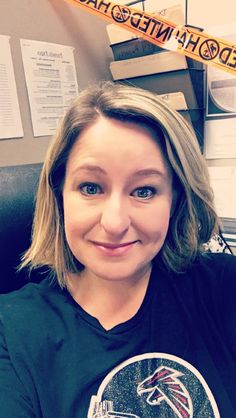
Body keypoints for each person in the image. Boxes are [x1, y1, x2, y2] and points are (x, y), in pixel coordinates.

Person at [0, 81, 235, 418]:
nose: (114, 222)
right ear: (59, 194)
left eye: (144, 191)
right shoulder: (12, 330)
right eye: (91, 187)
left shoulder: (224, 288)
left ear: (176, 200)